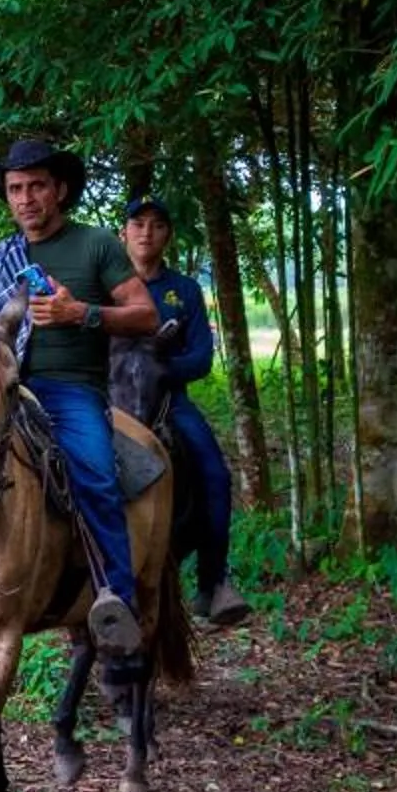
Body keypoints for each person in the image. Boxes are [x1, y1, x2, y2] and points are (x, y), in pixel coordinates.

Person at [0, 137, 159, 655]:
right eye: (15, 189)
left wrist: (81, 314)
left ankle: (117, 596)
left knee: (94, 471)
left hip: (70, 390)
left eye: (36, 186)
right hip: (7, 387)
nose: (25, 199)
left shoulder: (96, 245)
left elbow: (146, 316)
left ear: (60, 190)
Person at [117, 196, 249, 627]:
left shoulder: (185, 291)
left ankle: (214, 583)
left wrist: (155, 368)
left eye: (156, 225)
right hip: (114, 403)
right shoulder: (106, 287)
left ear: (167, 236)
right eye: (137, 224)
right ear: (123, 233)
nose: (146, 232)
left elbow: (201, 359)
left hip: (172, 401)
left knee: (215, 475)